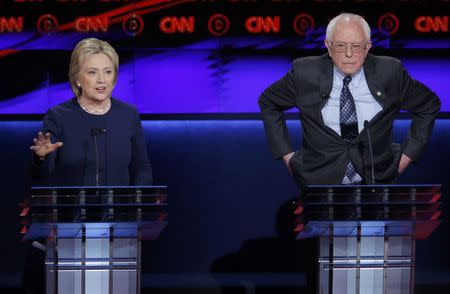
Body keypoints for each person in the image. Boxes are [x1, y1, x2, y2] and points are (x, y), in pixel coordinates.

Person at [258, 13, 440, 191]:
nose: (349, 54)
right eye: (341, 45)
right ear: (328, 47)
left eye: (356, 46)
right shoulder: (304, 73)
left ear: (368, 47)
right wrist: (287, 155)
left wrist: (408, 155)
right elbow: (268, 102)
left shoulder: (390, 72)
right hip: (318, 185)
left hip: (376, 183)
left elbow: (429, 104)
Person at [30, 37, 152, 186]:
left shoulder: (129, 115)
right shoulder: (58, 116)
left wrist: (137, 205)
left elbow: (141, 168)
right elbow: (42, 177)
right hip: (72, 208)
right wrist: (41, 158)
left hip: (119, 208)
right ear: (77, 79)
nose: (102, 80)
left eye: (108, 72)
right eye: (92, 73)